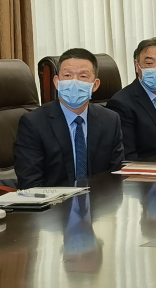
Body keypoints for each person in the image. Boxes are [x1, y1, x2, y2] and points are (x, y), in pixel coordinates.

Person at [14, 48, 125, 188]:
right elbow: (30, 184)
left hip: (100, 199)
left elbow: (116, 176)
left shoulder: (110, 120)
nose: (74, 82)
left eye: (83, 76)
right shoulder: (33, 123)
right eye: (67, 75)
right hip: (54, 200)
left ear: (95, 85)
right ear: (56, 82)